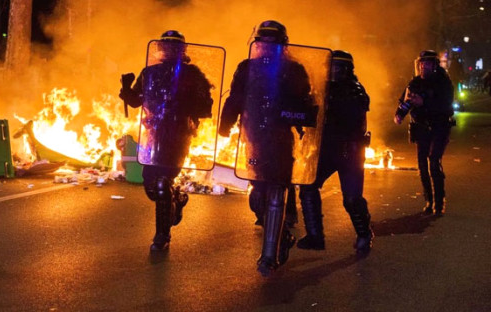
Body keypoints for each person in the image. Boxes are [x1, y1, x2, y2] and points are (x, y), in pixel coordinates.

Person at [219, 20, 318, 276]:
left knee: (276, 191)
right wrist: (226, 123)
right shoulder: (246, 68)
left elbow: (305, 102)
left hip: (280, 138)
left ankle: (269, 256)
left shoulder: (294, 70)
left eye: (272, 42)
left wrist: (297, 113)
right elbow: (235, 98)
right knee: (257, 197)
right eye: (263, 41)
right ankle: (283, 235)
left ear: (282, 44)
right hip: (253, 136)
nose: (266, 46)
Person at [119, 30, 214, 251]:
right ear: (160, 48)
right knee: (151, 186)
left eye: (175, 47)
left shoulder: (192, 74)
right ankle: (178, 199)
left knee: (162, 183)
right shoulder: (150, 72)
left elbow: (206, 107)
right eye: (166, 46)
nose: (169, 50)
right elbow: (135, 101)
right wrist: (126, 89)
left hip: (178, 135)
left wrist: (183, 106)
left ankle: (162, 236)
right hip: (153, 133)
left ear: (182, 50)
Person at [297, 50, 373, 254]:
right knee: (308, 186)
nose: (334, 71)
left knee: (351, 199)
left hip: (350, 152)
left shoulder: (354, 91)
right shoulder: (321, 89)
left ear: (348, 70)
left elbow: (347, 118)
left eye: (339, 67)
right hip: (326, 149)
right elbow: (310, 112)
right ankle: (315, 236)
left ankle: (364, 234)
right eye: (332, 67)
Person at [394, 50, 455, 215]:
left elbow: (446, 105)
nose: (423, 66)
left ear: (434, 65)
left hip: (439, 126)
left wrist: (425, 102)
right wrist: (399, 114)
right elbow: (406, 101)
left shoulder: (443, 83)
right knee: (422, 165)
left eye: (427, 63)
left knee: (434, 162)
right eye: (421, 63)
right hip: (421, 127)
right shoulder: (414, 83)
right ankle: (429, 200)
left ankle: (439, 202)